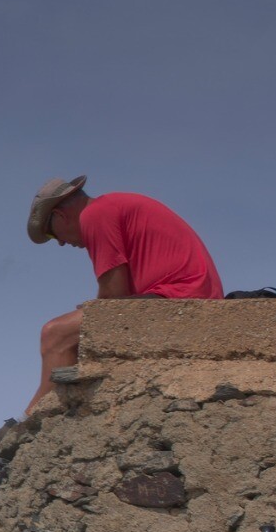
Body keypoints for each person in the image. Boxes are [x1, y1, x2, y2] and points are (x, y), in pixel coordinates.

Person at [16, 175, 223, 418]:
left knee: (55, 333)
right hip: (183, 294)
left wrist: (94, 310)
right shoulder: (113, 206)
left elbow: (113, 298)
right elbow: (114, 299)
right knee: (79, 327)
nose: (61, 243)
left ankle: (33, 421)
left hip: (182, 297)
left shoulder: (95, 214)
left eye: (52, 235)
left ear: (60, 216)